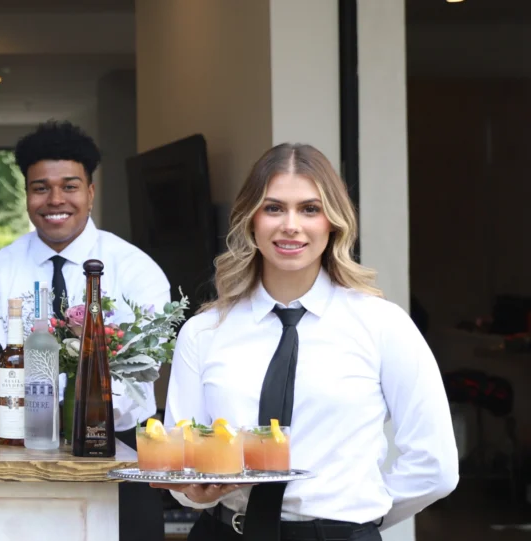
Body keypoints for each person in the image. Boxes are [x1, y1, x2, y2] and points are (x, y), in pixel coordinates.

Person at [157, 144, 458, 541]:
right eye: (274, 208)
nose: (291, 225)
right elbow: (185, 460)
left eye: (310, 209)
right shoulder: (204, 332)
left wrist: (358, 521)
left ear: (332, 222)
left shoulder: (383, 325)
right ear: (251, 221)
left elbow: (435, 466)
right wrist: (193, 493)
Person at [0, 120, 170, 540]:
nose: (55, 199)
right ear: (26, 195)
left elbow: (142, 374)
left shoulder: (136, 271)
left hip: (119, 454)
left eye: (70, 186)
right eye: (40, 188)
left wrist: (79, 416)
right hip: (19, 460)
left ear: (91, 192)